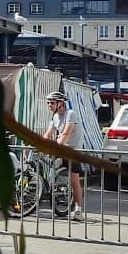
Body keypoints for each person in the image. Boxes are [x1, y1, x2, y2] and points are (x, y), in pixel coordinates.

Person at [42, 90, 86, 221]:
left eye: (52, 103)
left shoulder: (70, 114)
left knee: (74, 180)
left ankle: (78, 210)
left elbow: (65, 134)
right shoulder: (55, 117)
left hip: (74, 150)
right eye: (48, 103)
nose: (49, 105)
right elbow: (48, 134)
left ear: (61, 104)